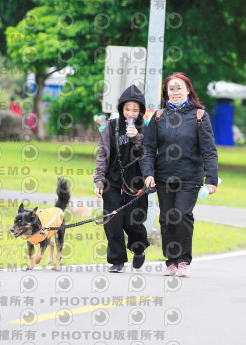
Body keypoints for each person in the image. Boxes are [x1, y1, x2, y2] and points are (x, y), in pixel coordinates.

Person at [142, 72, 218, 277]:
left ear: (188, 90)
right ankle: (171, 261)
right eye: (171, 89)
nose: (175, 92)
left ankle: (183, 260)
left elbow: (209, 151)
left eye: (179, 88)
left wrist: (211, 180)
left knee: (182, 215)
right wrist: (148, 173)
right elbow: (148, 148)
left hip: (190, 177)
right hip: (163, 177)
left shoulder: (200, 116)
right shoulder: (159, 117)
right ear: (166, 92)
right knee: (167, 219)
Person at [93, 85, 150, 273]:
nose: (131, 113)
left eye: (135, 109)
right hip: (113, 179)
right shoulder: (110, 127)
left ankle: (139, 248)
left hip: (137, 181)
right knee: (112, 221)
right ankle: (117, 260)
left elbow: (149, 154)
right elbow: (102, 155)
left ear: (141, 110)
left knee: (133, 221)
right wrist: (99, 180)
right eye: (127, 109)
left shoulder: (147, 128)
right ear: (121, 109)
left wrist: (137, 138)